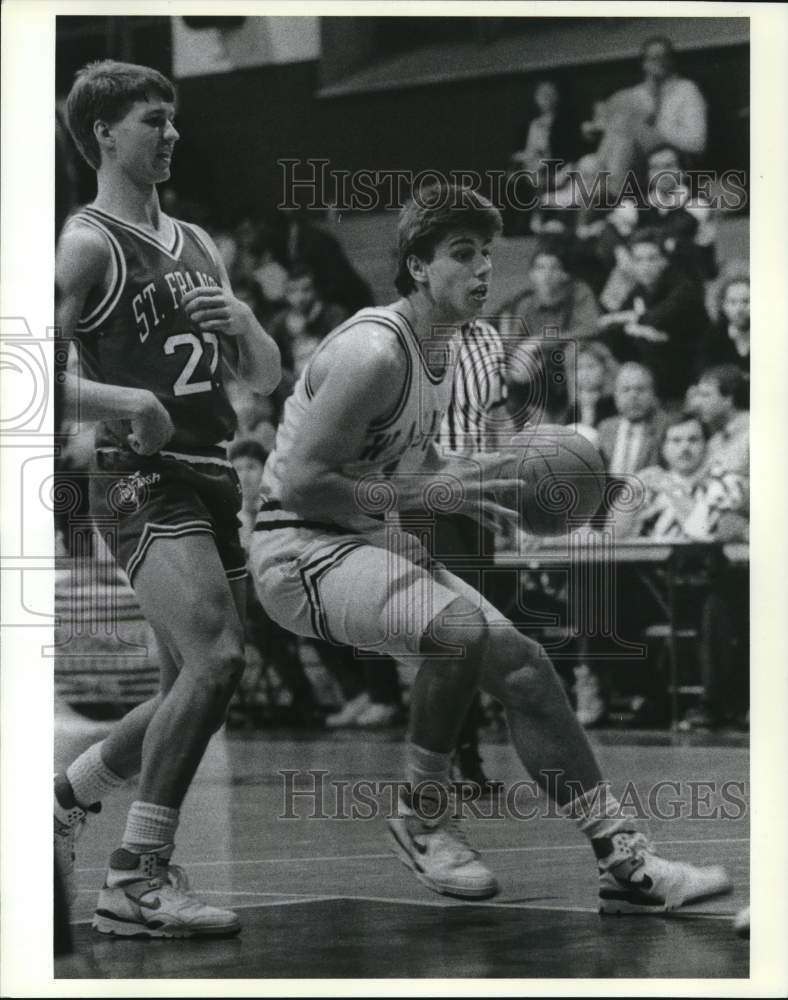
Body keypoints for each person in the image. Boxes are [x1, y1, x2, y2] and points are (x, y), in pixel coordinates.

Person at [249, 181, 731, 912]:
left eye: (485, 254)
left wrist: (493, 475)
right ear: (417, 267)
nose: (482, 270)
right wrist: (425, 496)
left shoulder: (449, 347)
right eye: (462, 255)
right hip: (297, 551)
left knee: (528, 668)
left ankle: (623, 861)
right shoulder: (374, 352)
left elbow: (412, 462)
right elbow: (306, 485)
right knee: (459, 631)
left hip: (363, 538)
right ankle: (422, 815)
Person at [53, 60, 281, 938]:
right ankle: (136, 877)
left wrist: (249, 327)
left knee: (195, 684)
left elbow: (261, 375)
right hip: (141, 474)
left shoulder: (198, 242)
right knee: (220, 659)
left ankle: (66, 802)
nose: (173, 134)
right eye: (155, 120)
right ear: (106, 134)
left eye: (174, 120)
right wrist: (126, 402)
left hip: (214, 469)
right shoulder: (87, 244)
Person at [584, 36, 707, 195]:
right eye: (652, 58)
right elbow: (611, 126)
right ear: (644, 64)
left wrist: (657, 130)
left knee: (625, 134)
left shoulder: (687, 90)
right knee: (594, 160)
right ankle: (600, 185)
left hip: (673, 157)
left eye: (664, 57)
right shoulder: (637, 93)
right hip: (635, 158)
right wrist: (593, 128)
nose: (659, 62)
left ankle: (609, 193)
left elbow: (698, 143)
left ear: (672, 61)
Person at [598, 228, 709, 403]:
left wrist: (629, 321)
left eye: (652, 258)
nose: (645, 266)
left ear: (664, 261)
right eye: (639, 260)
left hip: (689, 368)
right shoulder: (639, 290)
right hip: (656, 367)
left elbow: (657, 317)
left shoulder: (684, 288)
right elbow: (610, 326)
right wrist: (638, 327)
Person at [596, 362, 668, 475]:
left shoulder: (665, 428)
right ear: (616, 395)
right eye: (626, 390)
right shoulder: (605, 427)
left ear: (652, 394)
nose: (633, 396)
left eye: (640, 389)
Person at [691, 364, 750, 477]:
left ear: (728, 399)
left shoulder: (756, 433)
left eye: (706, 395)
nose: (698, 403)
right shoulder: (715, 441)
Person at [698, 276, 750, 376]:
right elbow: (705, 373)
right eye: (733, 302)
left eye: (746, 301)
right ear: (723, 306)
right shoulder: (714, 337)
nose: (739, 309)